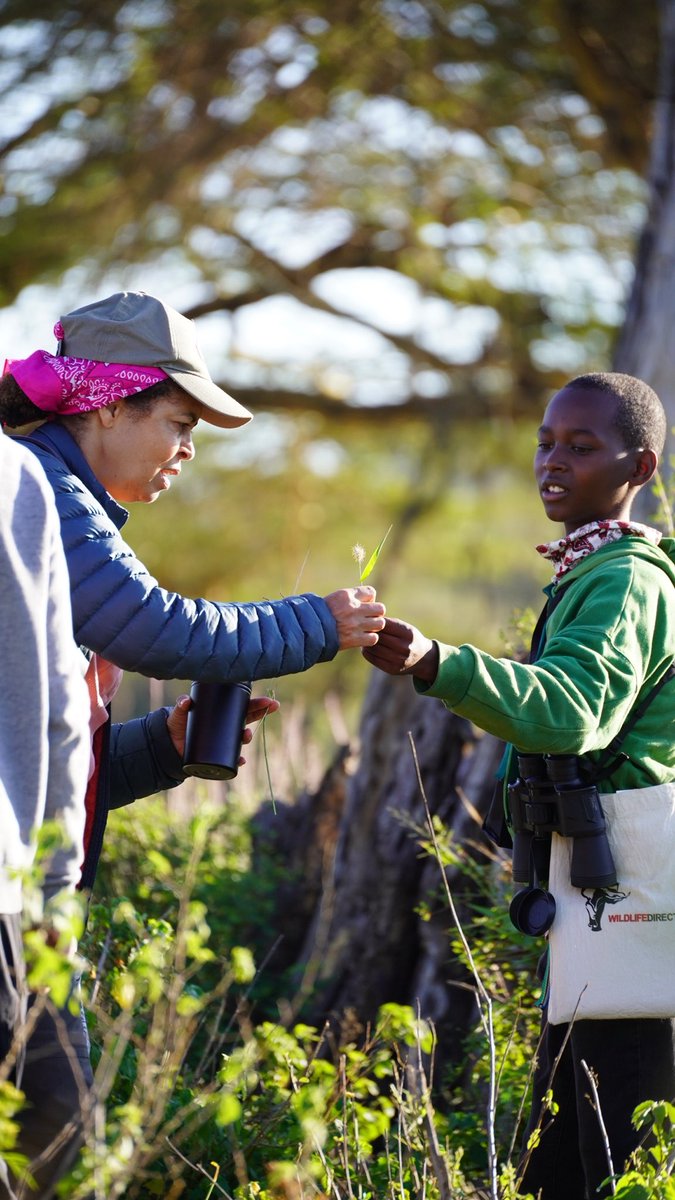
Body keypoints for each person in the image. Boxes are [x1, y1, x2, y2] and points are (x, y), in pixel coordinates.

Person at [361, 372, 675, 1199]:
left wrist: (439, 662)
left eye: (580, 447)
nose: (552, 462)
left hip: (630, 905)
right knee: (567, 1154)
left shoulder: (624, 581)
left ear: (637, 468)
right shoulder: (586, 571)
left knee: (616, 1153)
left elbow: (572, 712)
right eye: (544, 441)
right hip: (597, 906)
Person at [0, 289, 386, 890]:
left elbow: (45, 763)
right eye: (179, 424)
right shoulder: (40, 490)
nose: (188, 450)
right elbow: (154, 626)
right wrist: (319, 624)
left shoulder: (58, 492)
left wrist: (163, 747)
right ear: (108, 405)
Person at [0, 429, 91, 1198]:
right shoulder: (16, 479)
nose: (186, 449)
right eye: (179, 422)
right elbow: (61, 712)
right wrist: (54, 888)